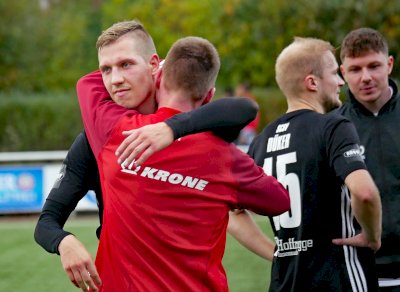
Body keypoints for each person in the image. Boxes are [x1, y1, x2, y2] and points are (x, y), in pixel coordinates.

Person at [34, 20, 261, 292]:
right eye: (106, 69)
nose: (116, 79)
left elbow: (244, 108)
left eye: (126, 64)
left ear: (155, 65)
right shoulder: (95, 139)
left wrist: (170, 128)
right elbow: (46, 222)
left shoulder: (193, 124)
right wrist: (64, 241)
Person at [78, 34, 290, 291]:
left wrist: (150, 68)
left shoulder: (117, 130)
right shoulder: (226, 159)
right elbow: (279, 201)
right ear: (209, 96)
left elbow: (87, 83)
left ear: (158, 78)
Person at [337, 27, 400, 291]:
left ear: (389, 64)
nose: (366, 77)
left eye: (374, 66)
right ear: (342, 73)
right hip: (358, 274)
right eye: (355, 69)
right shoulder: (332, 128)